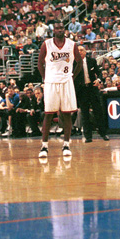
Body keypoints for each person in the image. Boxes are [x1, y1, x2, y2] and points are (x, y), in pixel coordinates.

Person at [37, 20, 82, 160]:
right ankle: (44, 146)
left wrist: (72, 77)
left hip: (66, 81)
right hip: (51, 82)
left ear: (65, 29)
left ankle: (66, 144)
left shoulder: (71, 44)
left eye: (62, 28)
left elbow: (79, 62)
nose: (60, 30)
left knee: (67, 114)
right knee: (48, 114)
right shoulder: (47, 44)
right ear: (53, 30)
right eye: (57, 28)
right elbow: (39, 63)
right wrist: (45, 78)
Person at [74, 44, 109, 142]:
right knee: (84, 114)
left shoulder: (92, 61)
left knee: (98, 111)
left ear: (85, 52)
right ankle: (88, 136)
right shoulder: (73, 63)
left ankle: (103, 134)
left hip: (92, 88)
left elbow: (99, 73)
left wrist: (98, 80)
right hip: (82, 91)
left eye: (81, 50)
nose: (80, 52)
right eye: (78, 50)